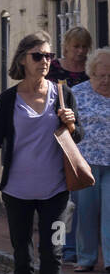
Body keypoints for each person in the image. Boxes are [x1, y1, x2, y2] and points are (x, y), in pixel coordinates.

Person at [0, 31, 82, 274]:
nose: (45, 62)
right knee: (23, 257)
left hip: (56, 191)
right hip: (17, 193)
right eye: (38, 56)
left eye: (49, 56)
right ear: (23, 59)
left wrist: (71, 125)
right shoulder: (8, 100)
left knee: (52, 253)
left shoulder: (63, 95)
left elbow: (76, 143)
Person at [52, 27, 92, 259]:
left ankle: (72, 247)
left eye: (84, 47)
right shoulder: (54, 69)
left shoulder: (91, 71)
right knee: (60, 200)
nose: (80, 51)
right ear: (66, 45)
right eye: (76, 46)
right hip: (57, 139)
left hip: (82, 141)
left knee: (77, 200)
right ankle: (59, 246)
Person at [71, 48, 110, 273]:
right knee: (85, 212)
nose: (105, 80)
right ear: (91, 73)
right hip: (85, 164)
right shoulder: (77, 94)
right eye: (100, 75)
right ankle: (86, 258)